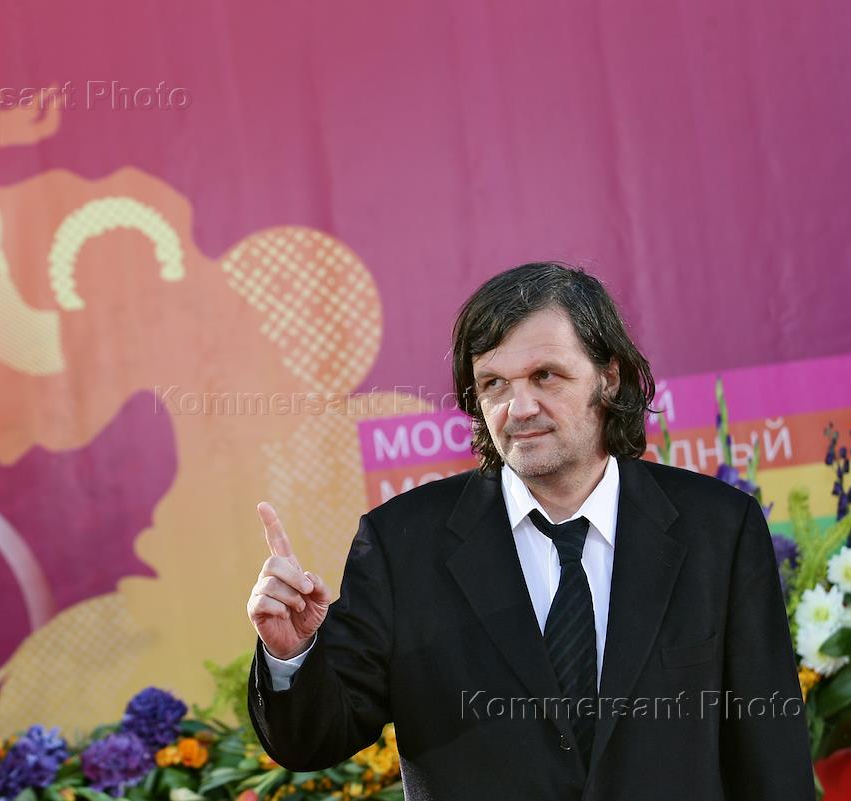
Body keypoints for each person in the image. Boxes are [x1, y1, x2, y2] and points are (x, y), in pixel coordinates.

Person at [245, 262, 814, 800]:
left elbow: (771, 757)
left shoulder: (720, 530)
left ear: (609, 378)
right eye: (493, 383)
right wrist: (291, 655)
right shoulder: (401, 544)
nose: (519, 407)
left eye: (546, 376)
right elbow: (315, 739)